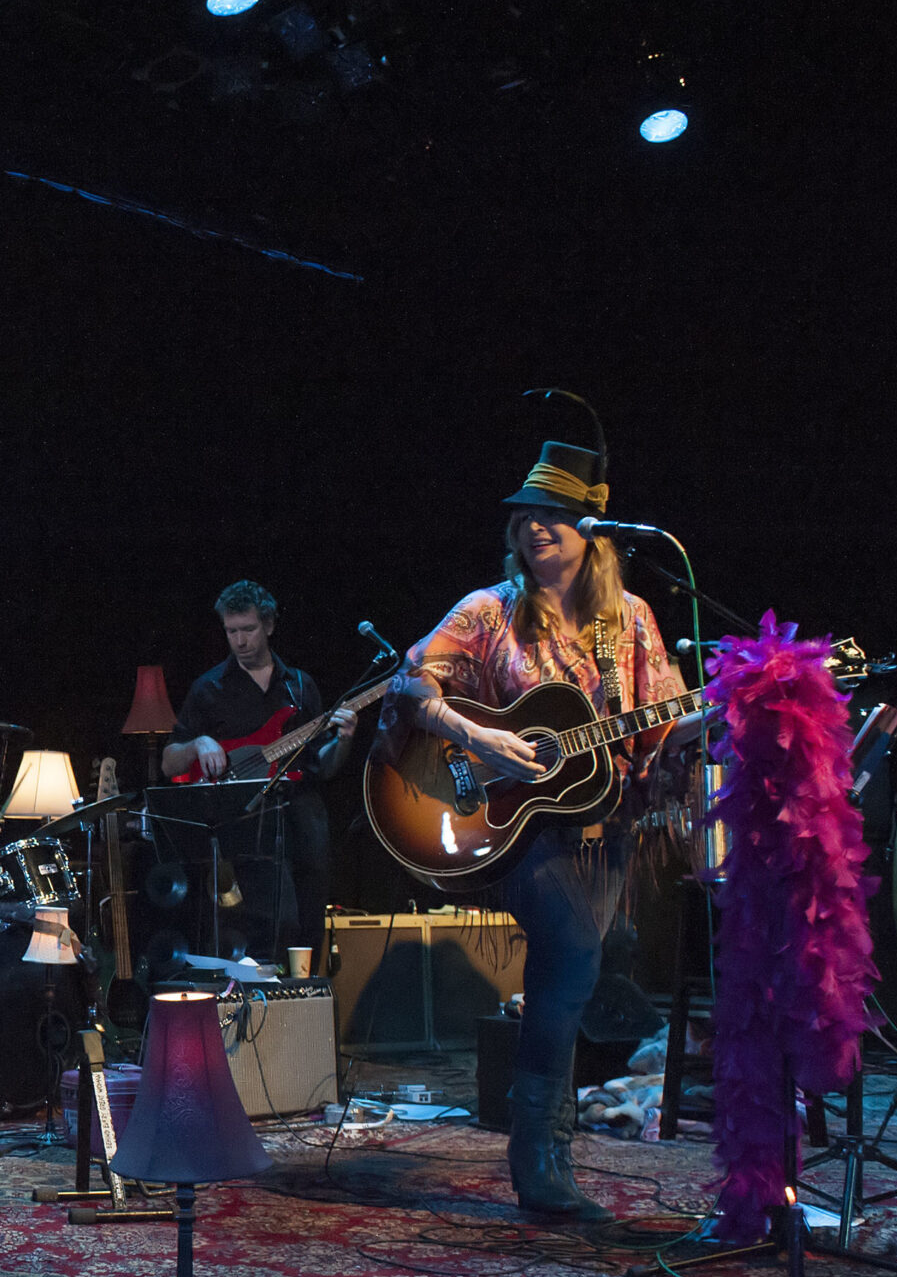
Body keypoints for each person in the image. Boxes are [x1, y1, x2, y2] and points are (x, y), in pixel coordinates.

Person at [377, 439, 690, 1221]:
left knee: (569, 977)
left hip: (604, 828)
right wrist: (477, 737)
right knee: (573, 957)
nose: (538, 525)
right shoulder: (487, 612)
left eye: (556, 513)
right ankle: (539, 1159)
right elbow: (410, 679)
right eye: (529, 513)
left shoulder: (634, 623)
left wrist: (698, 731)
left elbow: (664, 728)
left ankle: (548, 1155)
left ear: (593, 530)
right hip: (511, 826)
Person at [159, 581, 356, 967]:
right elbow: (169, 763)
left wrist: (346, 739)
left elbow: (324, 765)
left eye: (247, 629)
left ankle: (307, 1008)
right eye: (231, 631)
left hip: (304, 814)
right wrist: (199, 742)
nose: (239, 641)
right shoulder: (209, 688)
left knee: (311, 923)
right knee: (272, 925)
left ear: (268, 625)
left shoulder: (299, 685)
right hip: (248, 818)